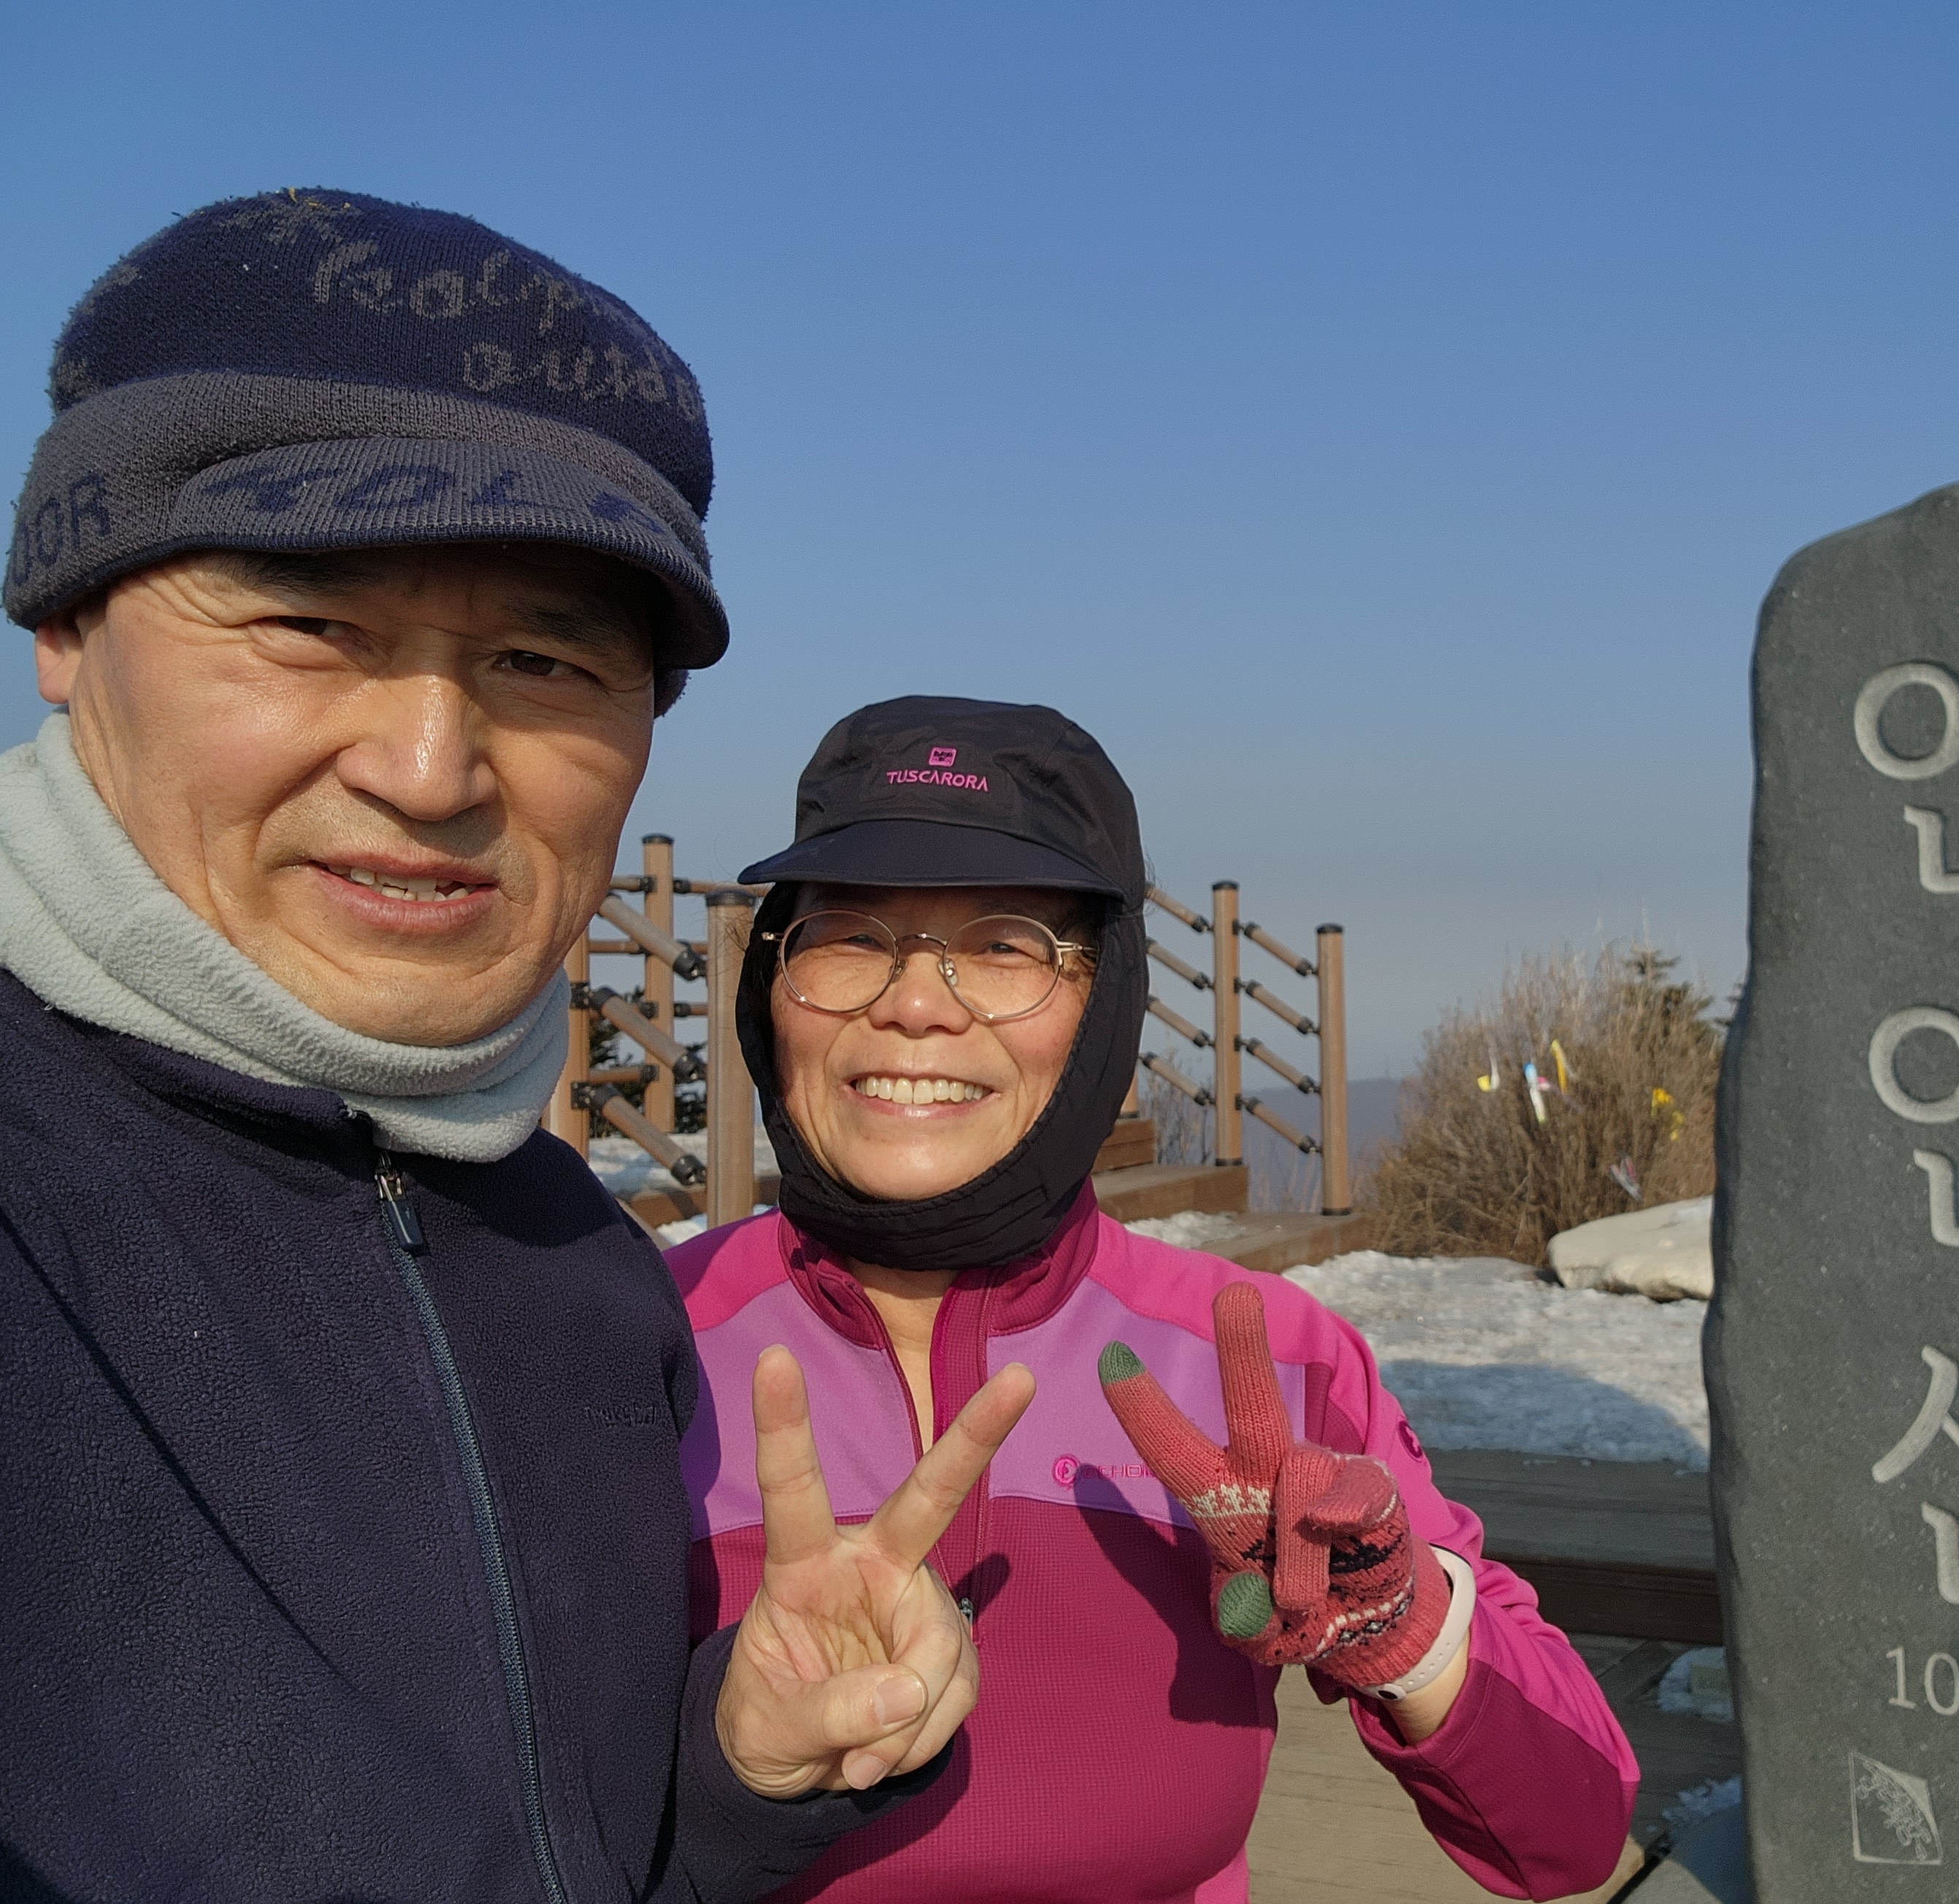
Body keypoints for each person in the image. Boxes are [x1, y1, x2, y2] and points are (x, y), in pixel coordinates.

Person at [0, 192, 1028, 1900]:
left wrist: (742, 1776)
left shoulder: (573, 1258)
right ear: (64, 621)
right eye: (312, 626)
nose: (430, 768)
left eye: (542, 660)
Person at [670, 696, 1639, 1903]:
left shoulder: (1268, 1361)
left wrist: (1399, 1623)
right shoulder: (628, 1340)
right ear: (772, 982)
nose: (915, 1003)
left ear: (1108, 997)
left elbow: (1570, 1832)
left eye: (1006, 945)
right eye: (850, 936)